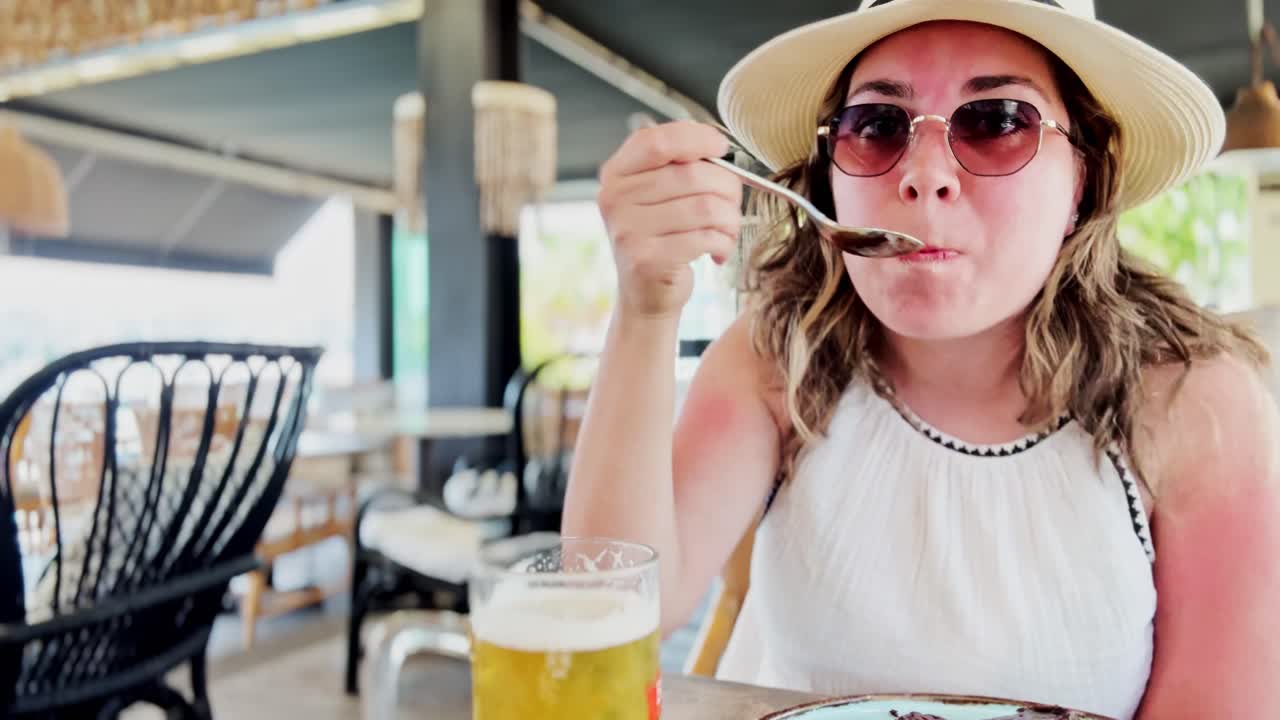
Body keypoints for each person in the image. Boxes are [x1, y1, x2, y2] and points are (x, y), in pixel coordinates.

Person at [562, 0, 1280, 718]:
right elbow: (612, 607)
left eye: (997, 121)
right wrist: (647, 306)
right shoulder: (777, 356)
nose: (925, 175)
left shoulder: (1197, 400)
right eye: (876, 127)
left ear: (1081, 183)